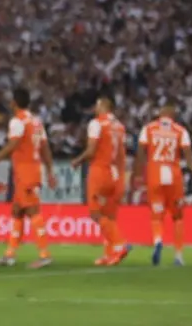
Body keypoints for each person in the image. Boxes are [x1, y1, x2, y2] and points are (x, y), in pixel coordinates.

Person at [0, 88, 56, 268]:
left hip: (26, 171)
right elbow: (45, 148)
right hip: (28, 171)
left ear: (14, 102)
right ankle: (10, 254)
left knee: (32, 211)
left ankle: (44, 255)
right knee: (17, 211)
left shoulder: (17, 121)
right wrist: (49, 170)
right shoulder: (36, 122)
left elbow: (12, 145)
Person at [132, 101, 192, 266]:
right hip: (173, 176)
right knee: (178, 217)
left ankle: (157, 241)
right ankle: (178, 256)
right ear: (173, 116)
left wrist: (138, 174)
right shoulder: (180, 131)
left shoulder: (148, 129)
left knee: (156, 216)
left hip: (155, 175)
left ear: (160, 114)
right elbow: (189, 159)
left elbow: (140, 153)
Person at [72, 95, 132, 266]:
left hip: (100, 171)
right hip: (116, 174)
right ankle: (109, 254)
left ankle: (120, 244)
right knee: (109, 216)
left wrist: (78, 160)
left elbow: (91, 150)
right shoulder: (120, 126)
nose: (95, 109)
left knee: (96, 213)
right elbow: (122, 153)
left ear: (104, 106)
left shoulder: (96, 123)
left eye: (97, 105)